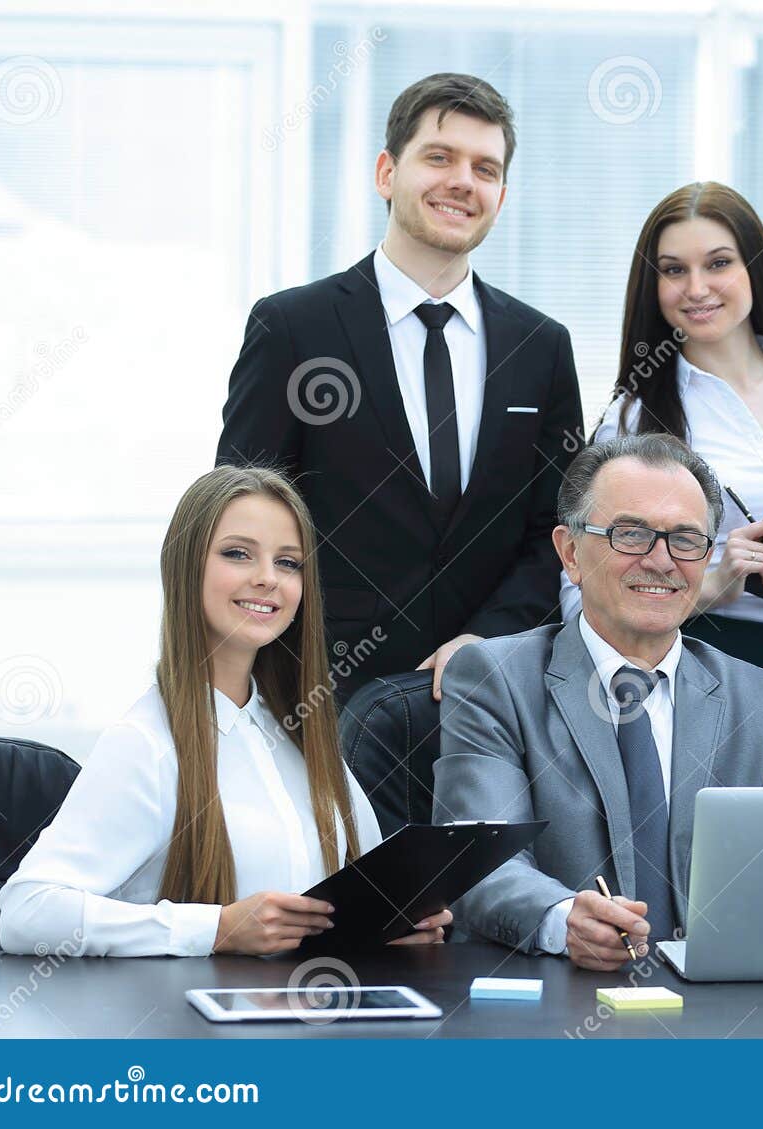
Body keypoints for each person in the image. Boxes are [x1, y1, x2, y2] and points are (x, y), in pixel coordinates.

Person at [217, 73, 582, 702]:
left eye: (485, 168)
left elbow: (558, 526)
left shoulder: (541, 345)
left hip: (492, 691)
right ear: (386, 173)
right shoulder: (294, 327)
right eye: (439, 157)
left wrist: (488, 639)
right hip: (315, 693)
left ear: (501, 193)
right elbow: (240, 514)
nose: (463, 181)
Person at [0, 467, 450, 957]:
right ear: (185, 567)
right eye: (238, 554)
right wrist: (214, 929)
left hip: (314, 1021)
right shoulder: (146, 742)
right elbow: (27, 913)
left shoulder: (306, 738)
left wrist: (389, 926)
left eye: (288, 563)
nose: (267, 579)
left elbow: (344, 902)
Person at [435, 435, 763, 970]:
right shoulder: (496, 679)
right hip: (557, 1006)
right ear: (570, 553)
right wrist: (563, 919)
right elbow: (479, 862)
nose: (661, 561)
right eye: (631, 535)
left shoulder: (762, 702)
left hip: (717, 1008)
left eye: (685, 539)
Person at [561, 182, 763, 786]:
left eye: (718, 263)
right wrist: (716, 578)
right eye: (674, 270)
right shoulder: (632, 418)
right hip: (705, 665)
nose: (696, 288)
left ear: (756, 267)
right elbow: (582, 596)